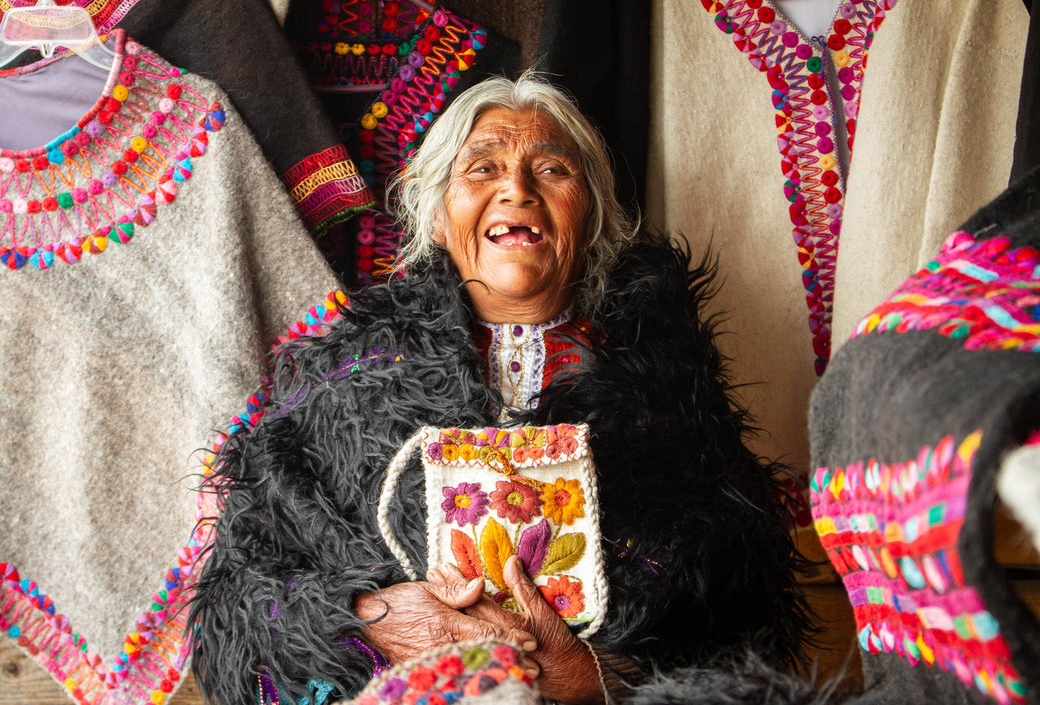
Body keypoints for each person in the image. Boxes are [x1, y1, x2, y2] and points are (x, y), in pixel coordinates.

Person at [187, 72, 811, 705]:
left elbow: (741, 620)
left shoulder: (669, 393)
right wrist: (372, 618)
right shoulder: (344, 384)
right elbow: (242, 604)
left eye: (552, 171)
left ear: (590, 212)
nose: (516, 189)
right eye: (481, 169)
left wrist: (595, 679)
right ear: (436, 216)